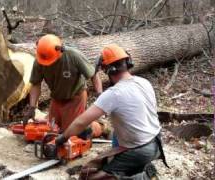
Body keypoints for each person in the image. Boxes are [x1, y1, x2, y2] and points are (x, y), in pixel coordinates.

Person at [55, 44, 168, 179]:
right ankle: (136, 168)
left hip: (139, 150)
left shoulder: (114, 94)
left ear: (108, 70)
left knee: (91, 178)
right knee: (93, 165)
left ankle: (144, 176)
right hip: (156, 142)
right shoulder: (144, 82)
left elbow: (81, 122)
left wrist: (63, 138)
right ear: (128, 62)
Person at [25, 34, 96, 135]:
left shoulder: (73, 55)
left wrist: (99, 94)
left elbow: (93, 74)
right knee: (52, 129)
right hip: (57, 98)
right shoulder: (40, 60)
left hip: (75, 97)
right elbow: (35, 84)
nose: (48, 63)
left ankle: (99, 127)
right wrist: (32, 108)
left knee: (71, 131)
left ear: (60, 50)